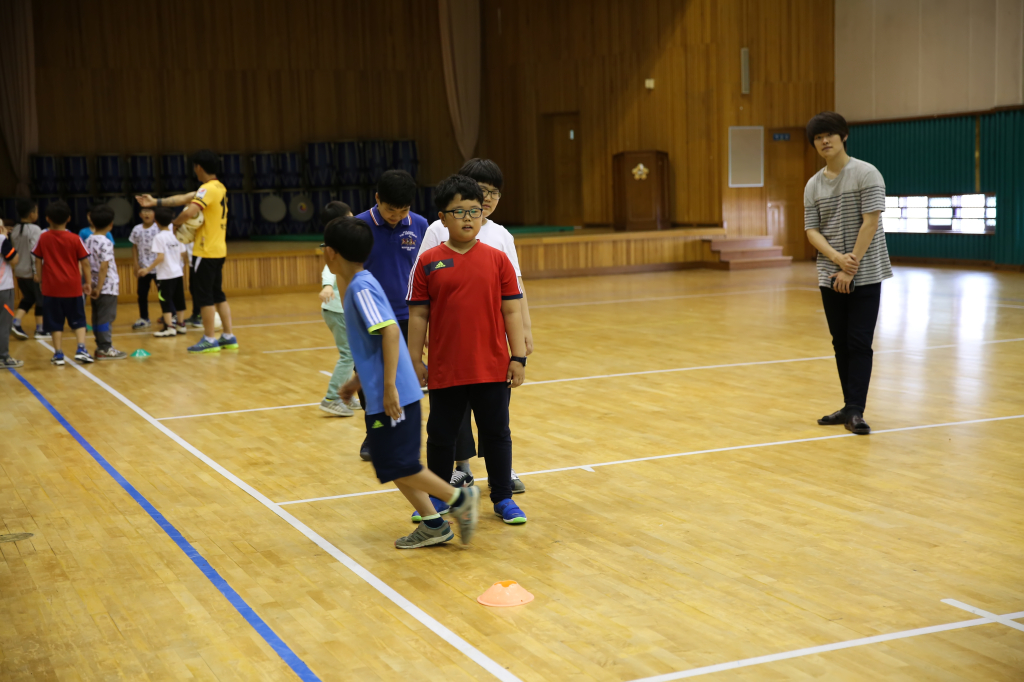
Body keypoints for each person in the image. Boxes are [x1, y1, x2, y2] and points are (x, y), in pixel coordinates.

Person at [324, 215, 480, 548]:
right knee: (389, 462)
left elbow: (390, 332)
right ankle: (434, 524)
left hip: (394, 394)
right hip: (384, 391)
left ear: (332, 254)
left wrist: (390, 387)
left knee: (401, 464)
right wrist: (355, 382)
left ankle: (460, 500)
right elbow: (372, 347)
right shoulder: (360, 284)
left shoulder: (360, 288)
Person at [406, 174, 529, 525]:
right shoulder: (428, 261)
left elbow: (511, 310)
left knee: (497, 434)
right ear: (442, 218)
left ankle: (503, 498)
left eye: (474, 211)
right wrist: (416, 360)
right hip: (447, 368)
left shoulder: (497, 259)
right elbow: (418, 315)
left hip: (491, 367)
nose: (468, 218)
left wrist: (517, 356)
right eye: (458, 212)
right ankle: (438, 496)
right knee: (441, 436)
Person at [804, 111, 893, 435]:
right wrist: (837, 261)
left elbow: (870, 221)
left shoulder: (866, 174)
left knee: (859, 342)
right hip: (831, 275)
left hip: (866, 273)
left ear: (844, 136)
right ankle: (849, 405)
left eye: (829, 134)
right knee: (840, 342)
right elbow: (812, 231)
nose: (824, 141)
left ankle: (856, 410)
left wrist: (851, 265)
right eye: (817, 137)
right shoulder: (813, 185)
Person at [352, 169, 427, 459]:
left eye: (403, 209)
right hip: (370, 318)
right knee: (367, 379)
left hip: (410, 317)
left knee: (406, 380)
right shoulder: (358, 226)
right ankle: (375, 433)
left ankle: (401, 434)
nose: (396, 216)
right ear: (377, 199)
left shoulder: (420, 225)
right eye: (389, 209)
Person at [136, 149, 236, 353]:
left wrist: (174, 224)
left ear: (198, 167)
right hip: (219, 250)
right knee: (218, 295)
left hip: (205, 251)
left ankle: (209, 339)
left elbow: (189, 210)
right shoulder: (218, 188)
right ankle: (228, 336)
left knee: (205, 297)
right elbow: (183, 198)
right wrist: (155, 202)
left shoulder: (207, 189)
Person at [32, 200, 93, 365]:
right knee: (79, 319)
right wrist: (87, 282)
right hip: (72, 287)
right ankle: (81, 348)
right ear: (68, 218)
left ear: (47, 218)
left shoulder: (43, 238)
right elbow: (85, 262)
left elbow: (38, 259)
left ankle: (58, 354)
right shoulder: (75, 238)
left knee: (54, 322)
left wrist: (41, 279)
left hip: (51, 288)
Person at [318, 201, 360, 416]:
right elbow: (329, 270)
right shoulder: (335, 247)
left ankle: (347, 394)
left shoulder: (344, 244)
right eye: (349, 216)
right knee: (348, 355)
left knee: (352, 354)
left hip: (342, 311)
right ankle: (331, 398)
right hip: (337, 310)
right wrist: (327, 287)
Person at [83, 204, 127, 360]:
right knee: (105, 318)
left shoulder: (88, 240)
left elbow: (86, 264)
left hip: (94, 284)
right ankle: (105, 347)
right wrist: (100, 288)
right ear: (111, 224)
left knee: (97, 316)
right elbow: (104, 267)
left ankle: (100, 345)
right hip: (106, 286)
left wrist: (92, 285)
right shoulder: (106, 242)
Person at [143, 207, 188, 337]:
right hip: (178, 273)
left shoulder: (159, 237)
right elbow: (183, 253)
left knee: (165, 300)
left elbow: (160, 257)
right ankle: (181, 324)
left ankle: (169, 327)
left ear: (156, 221)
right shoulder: (176, 236)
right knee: (179, 299)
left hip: (165, 275)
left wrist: (147, 269)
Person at [10, 198, 46, 340]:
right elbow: (35, 252)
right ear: (32, 214)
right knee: (40, 300)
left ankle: (16, 322)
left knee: (29, 298)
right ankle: (40, 329)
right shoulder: (35, 229)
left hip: (19, 271)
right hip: (32, 273)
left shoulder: (15, 229)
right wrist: (37, 272)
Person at [128, 207, 159, 329]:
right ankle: (144, 318)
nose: (147, 214)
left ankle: (169, 316)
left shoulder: (158, 228)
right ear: (140, 214)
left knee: (163, 294)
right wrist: (136, 264)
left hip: (157, 267)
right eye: (144, 212)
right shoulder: (137, 229)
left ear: (154, 214)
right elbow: (134, 247)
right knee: (142, 294)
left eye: (150, 211)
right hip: (143, 268)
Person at [0, 222, 23, 367]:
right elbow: (14, 259)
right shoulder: (2, 240)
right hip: (3, 288)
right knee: (3, 323)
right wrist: (4, 237)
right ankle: (3, 357)